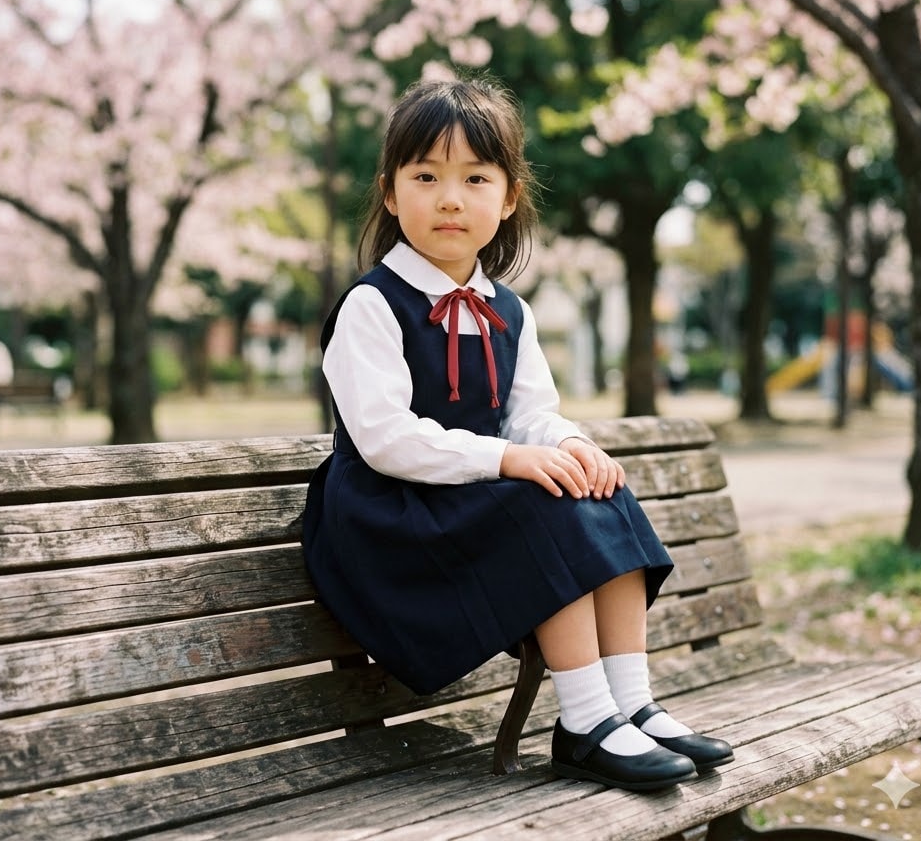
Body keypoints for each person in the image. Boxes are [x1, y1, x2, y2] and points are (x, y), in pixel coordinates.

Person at [303, 76, 732, 793]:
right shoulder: (373, 306)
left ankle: (631, 704)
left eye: (475, 178)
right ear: (389, 192)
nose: (449, 198)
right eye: (425, 176)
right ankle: (585, 721)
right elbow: (384, 439)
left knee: (597, 488)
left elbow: (532, 410)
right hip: (389, 519)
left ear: (506, 199)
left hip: (468, 502)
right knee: (543, 504)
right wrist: (509, 458)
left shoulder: (510, 311)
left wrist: (565, 444)